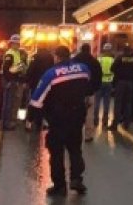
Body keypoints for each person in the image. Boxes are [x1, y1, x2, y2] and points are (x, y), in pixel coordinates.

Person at [29, 46, 90, 197]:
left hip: (58, 118)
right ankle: (77, 178)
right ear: (69, 56)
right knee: (75, 149)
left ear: (56, 57)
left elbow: (37, 100)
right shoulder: (83, 69)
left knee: (56, 152)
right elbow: (88, 86)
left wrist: (34, 118)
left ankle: (59, 186)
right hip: (77, 116)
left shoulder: (51, 74)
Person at [72, 43, 102, 142]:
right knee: (89, 114)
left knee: (75, 113)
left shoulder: (74, 61)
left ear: (81, 49)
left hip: (76, 92)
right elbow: (98, 77)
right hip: (89, 92)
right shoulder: (94, 62)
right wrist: (94, 89)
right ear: (89, 50)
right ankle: (88, 136)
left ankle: (74, 134)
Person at [0, 34, 28, 130]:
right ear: (11, 44)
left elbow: (17, 68)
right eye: (15, 43)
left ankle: (11, 122)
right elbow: (6, 70)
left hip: (14, 80)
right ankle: (6, 124)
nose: (17, 45)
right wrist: (10, 81)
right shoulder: (10, 54)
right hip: (9, 81)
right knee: (8, 103)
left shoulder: (16, 53)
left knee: (13, 103)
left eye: (18, 43)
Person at [24, 47, 54, 131]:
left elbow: (31, 70)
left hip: (36, 84)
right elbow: (53, 69)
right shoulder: (50, 57)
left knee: (34, 102)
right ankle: (42, 122)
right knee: (46, 103)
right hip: (47, 84)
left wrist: (26, 80)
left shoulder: (35, 57)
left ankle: (29, 122)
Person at [109, 45, 133, 130]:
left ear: (123, 51)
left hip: (120, 82)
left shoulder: (120, 58)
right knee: (128, 103)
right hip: (130, 82)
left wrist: (119, 72)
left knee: (118, 103)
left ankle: (115, 124)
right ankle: (126, 124)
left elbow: (112, 68)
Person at [94, 43, 115, 128]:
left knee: (97, 102)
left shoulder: (99, 59)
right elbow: (115, 72)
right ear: (110, 50)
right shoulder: (113, 60)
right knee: (107, 102)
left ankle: (95, 120)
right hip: (109, 83)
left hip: (99, 83)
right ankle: (105, 121)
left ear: (103, 50)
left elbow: (96, 71)